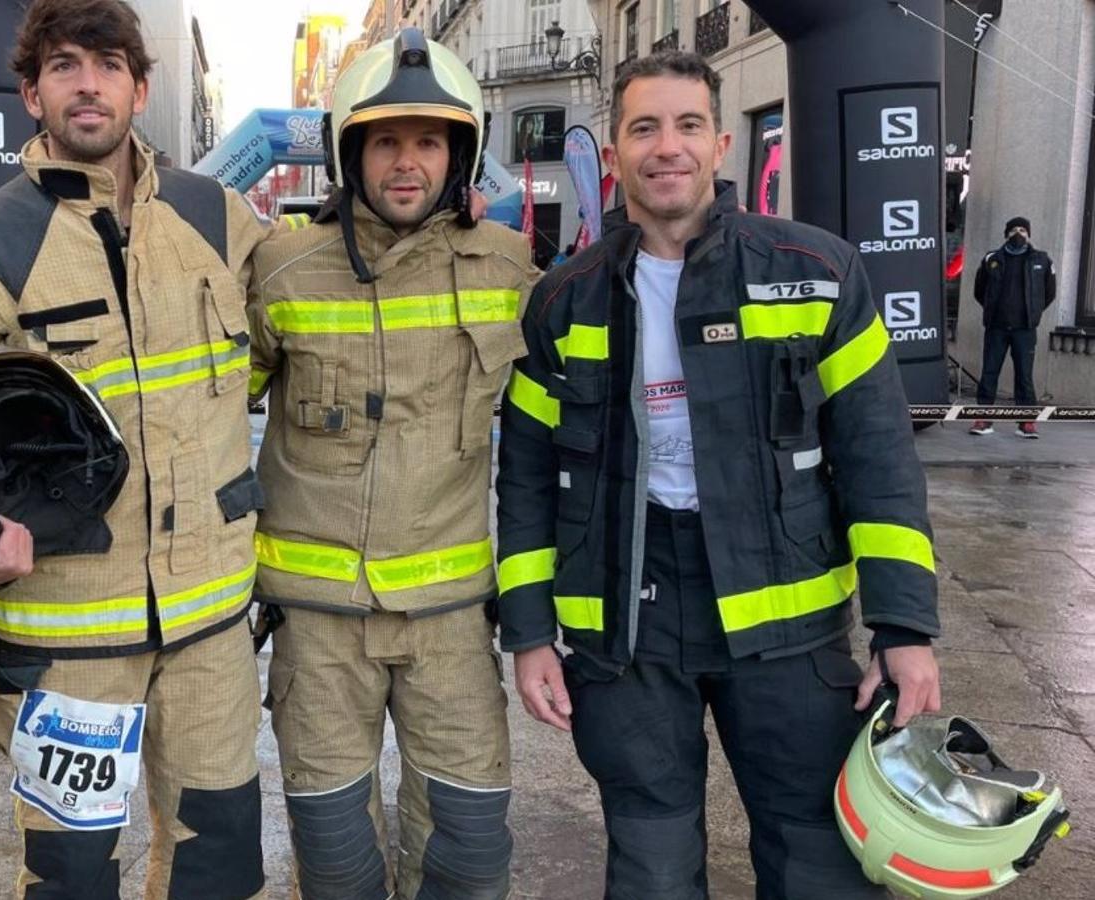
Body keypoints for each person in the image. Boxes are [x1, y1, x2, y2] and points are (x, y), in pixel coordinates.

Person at [496, 50, 943, 899]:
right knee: (652, 869)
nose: (668, 147)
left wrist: (904, 627)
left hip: (791, 628)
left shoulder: (818, 272)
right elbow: (523, 480)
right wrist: (527, 633)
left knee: (819, 864)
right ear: (619, 151)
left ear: (721, 144)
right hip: (624, 631)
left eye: (688, 125)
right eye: (645, 128)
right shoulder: (562, 301)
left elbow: (880, 461)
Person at [0, 1, 268, 896]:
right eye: (63, 66)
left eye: (108, 64)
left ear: (140, 88)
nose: (88, 83)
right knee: (72, 875)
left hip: (210, 631)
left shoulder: (217, 219)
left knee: (218, 863)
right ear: (31, 93)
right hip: (67, 645)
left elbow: (302, 340)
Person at [247, 29, 541, 900]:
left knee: (470, 855)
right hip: (318, 629)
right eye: (385, 140)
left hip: (452, 624)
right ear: (350, 150)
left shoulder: (510, 265)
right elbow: (206, 410)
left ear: (461, 154)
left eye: (428, 140)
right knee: (336, 864)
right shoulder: (282, 269)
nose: (406, 163)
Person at [970, 216, 1056, 438]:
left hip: (1024, 329)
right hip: (996, 328)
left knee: (1024, 376)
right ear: (1006, 233)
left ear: (1029, 234)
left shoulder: (1042, 260)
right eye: (1014, 230)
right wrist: (993, 311)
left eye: (1023, 230)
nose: (1019, 233)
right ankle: (983, 420)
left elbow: (1049, 293)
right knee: (989, 373)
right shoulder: (991, 259)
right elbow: (980, 291)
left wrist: (1032, 313)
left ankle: (1026, 423)